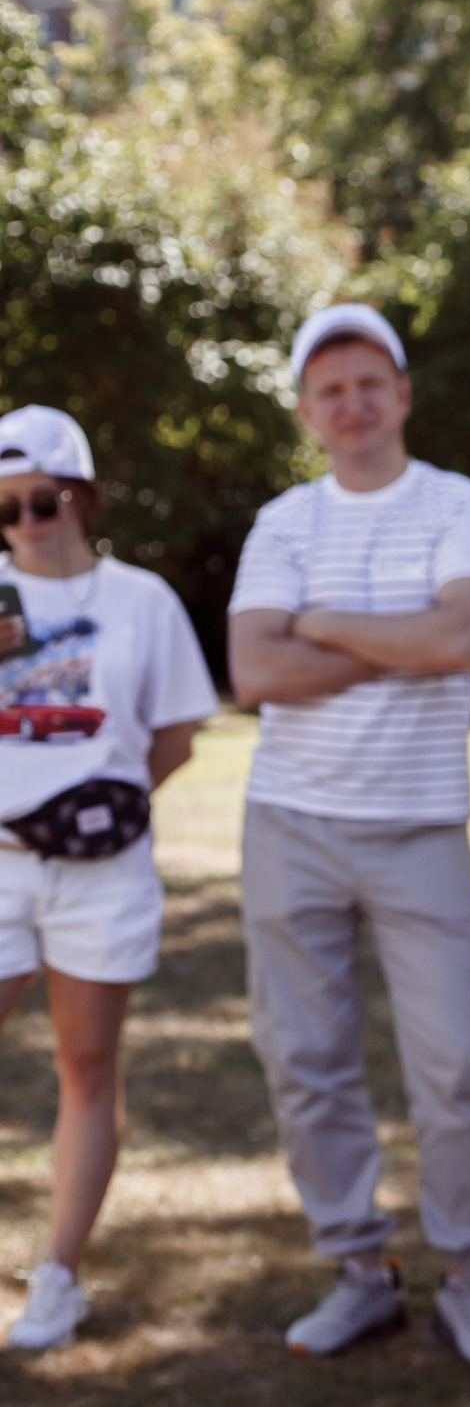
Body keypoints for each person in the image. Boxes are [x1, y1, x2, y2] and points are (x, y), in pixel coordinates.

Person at [226, 303, 470, 1364]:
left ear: (400, 394)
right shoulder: (284, 522)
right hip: (291, 821)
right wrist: (406, 641)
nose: (351, 404)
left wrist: (324, 623)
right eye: (328, 389)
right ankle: (359, 1269)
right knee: (304, 1058)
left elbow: (466, 636)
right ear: (308, 411)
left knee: (457, 1063)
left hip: (419, 825)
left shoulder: (455, 504)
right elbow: (255, 672)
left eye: (368, 383)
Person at [0, 406, 218, 1351]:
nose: (26, 522)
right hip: (0, 863)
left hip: (102, 869)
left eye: (42, 500)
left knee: (85, 1066)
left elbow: (171, 736)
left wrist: (97, 807)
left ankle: (59, 1273)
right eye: (4, 508)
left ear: (80, 496)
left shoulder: (143, 600)